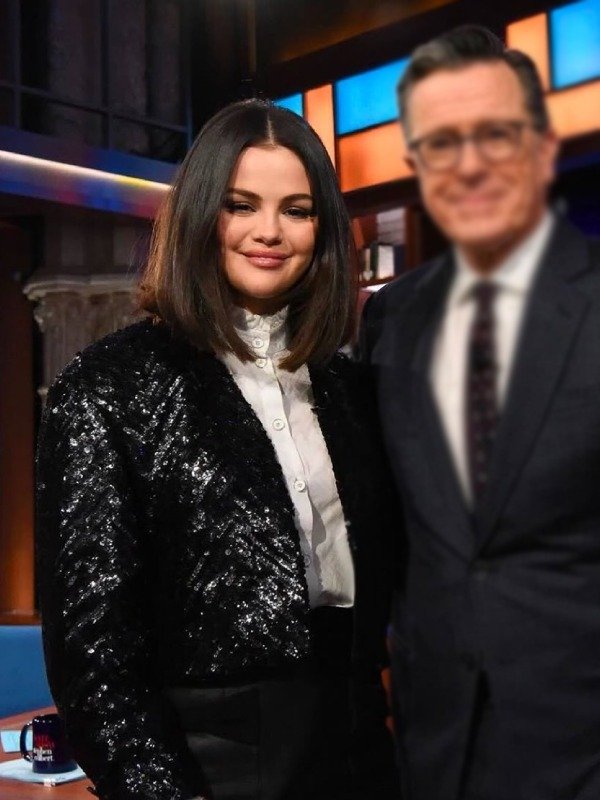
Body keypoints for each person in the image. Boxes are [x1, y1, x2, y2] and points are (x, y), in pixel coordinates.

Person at [36, 99, 399, 800]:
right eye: (241, 205)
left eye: (297, 210)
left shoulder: (349, 388)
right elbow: (94, 660)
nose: (270, 231)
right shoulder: (110, 387)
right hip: (208, 767)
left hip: (362, 753)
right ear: (201, 214)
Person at [360, 24, 600, 800]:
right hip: (435, 749)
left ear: (541, 146)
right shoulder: (390, 318)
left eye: (494, 134)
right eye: (441, 143)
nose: (468, 165)